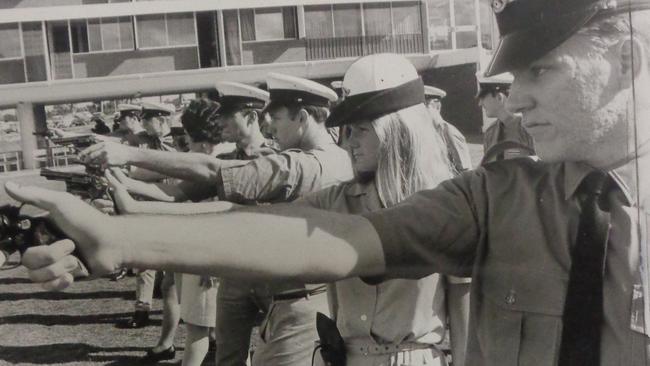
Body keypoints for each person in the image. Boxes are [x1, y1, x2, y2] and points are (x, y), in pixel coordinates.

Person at [14, 2, 650, 365]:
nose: (517, 101)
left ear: (629, 60)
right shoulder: (499, 196)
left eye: (542, 71)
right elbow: (324, 235)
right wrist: (119, 237)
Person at [303, 54, 462, 366]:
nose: (347, 144)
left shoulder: (447, 205)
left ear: (396, 130)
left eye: (360, 130)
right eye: (346, 132)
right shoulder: (336, 201)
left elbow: (465, 318)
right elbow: (272, 223)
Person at [476, 72, 535, 164]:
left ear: (499, 97)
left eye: (482, 98)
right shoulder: (490, 132)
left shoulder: (529, 128)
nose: (480, 104)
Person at [424, 86, 473, 173]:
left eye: (425, 107)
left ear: (437, 106)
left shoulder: (448, 131)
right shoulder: (426, 131)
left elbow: (465, 171)